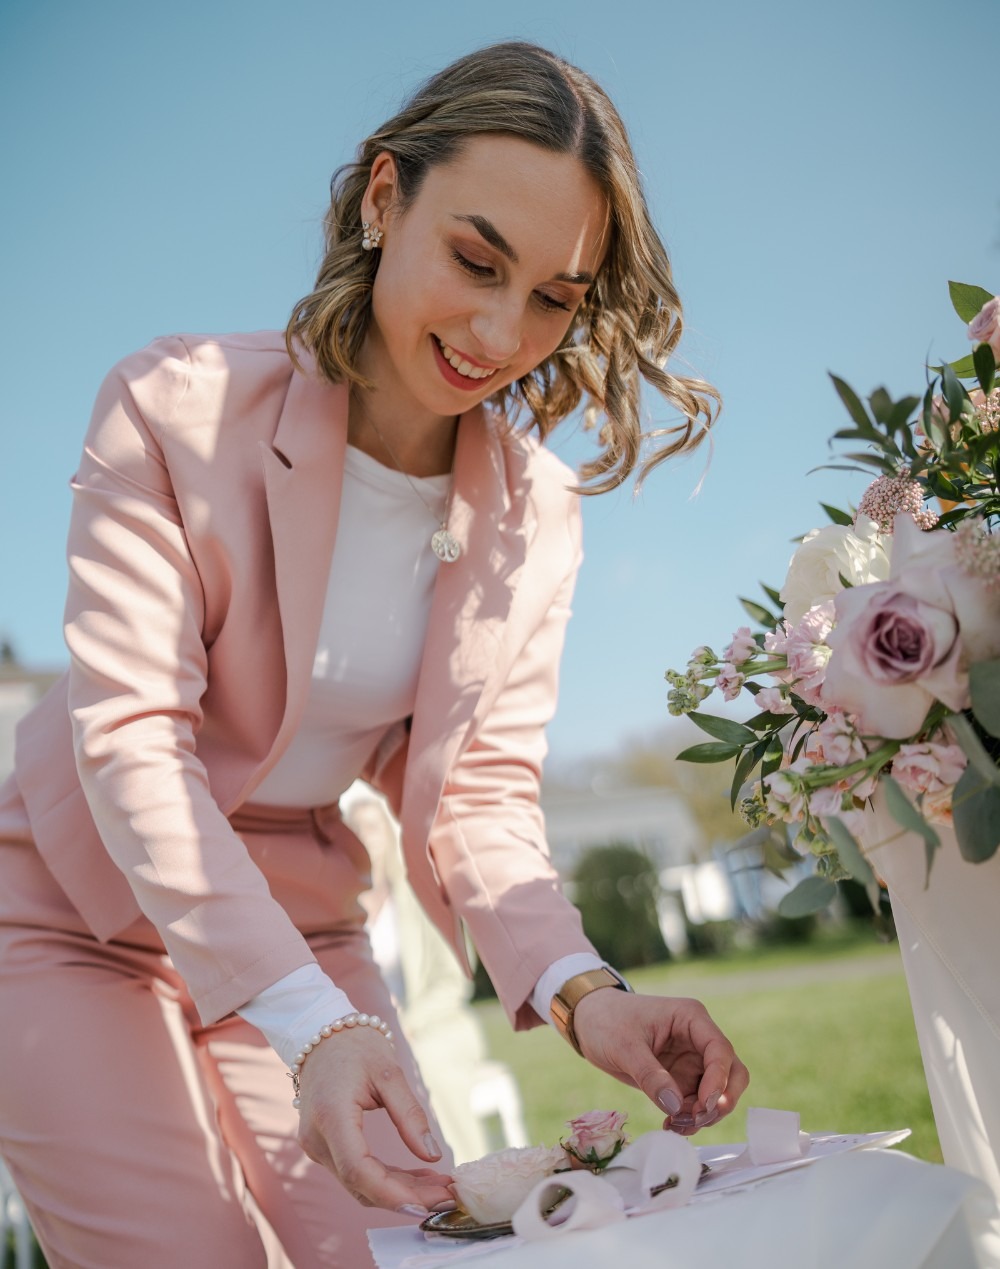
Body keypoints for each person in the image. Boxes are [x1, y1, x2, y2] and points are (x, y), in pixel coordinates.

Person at [0, 40, 749, 1269]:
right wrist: (311, 1025)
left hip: (309, 924)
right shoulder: (170, 407)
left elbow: (479, 799)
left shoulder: (537, 515)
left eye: (554, 298)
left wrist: (589, 992)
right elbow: (131, 740)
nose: (501, 332)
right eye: (476, 261)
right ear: (384, 198)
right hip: (66, 914)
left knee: (397, 1246)